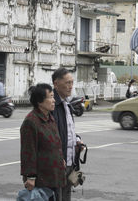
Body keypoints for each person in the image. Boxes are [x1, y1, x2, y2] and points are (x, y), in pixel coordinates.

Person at [20, 83, 66, 201]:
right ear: (40, 101)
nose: (54, 100)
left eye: (53, 96)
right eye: (50, 97)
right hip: (41, 179)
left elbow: (54, 143)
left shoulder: (50, 118)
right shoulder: (31, 122)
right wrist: (30, 177)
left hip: (54, 175)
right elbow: (28, 152)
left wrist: (61, 160)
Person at [51, 68, 84, 201]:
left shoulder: (67, 104)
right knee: (56, 197)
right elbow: (52, 135)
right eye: (67, 83)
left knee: (65, 196)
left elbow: (69, 131)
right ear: (56, 84)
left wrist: (77, 140)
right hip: (58, 162)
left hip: (69, 161)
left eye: (72, 82)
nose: (71, 86)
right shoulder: (52, 105)